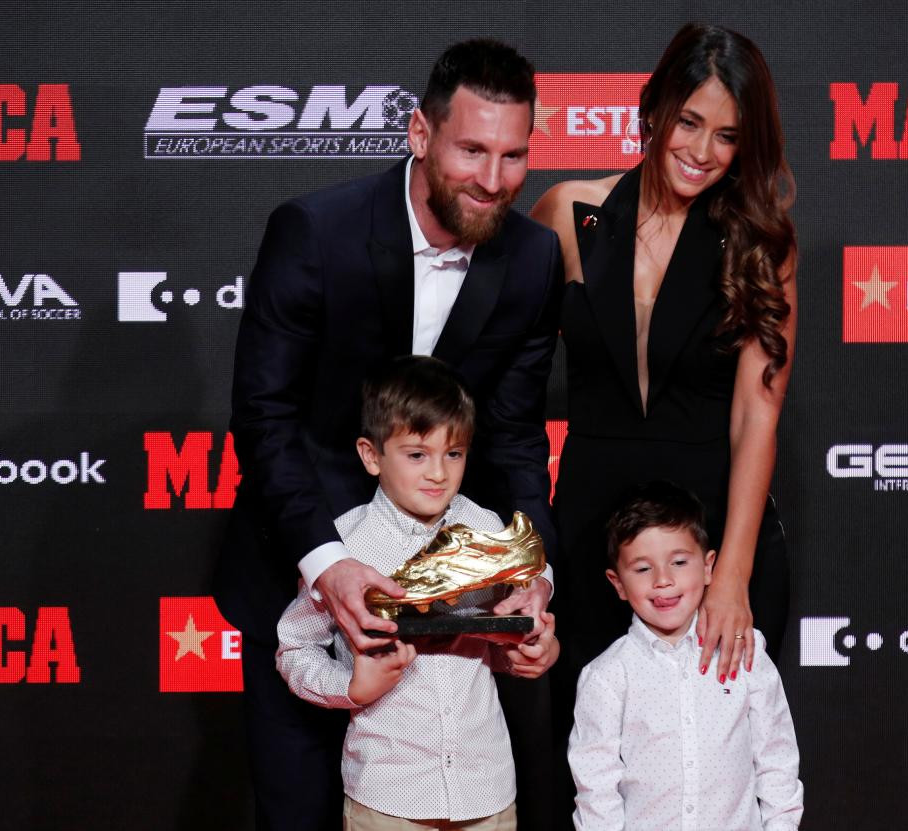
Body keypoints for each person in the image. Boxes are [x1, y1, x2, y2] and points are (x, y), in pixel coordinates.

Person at [214, 38, 562, 830]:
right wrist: (328, 567)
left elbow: (513, 442)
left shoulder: (534, 260)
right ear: (418, 133)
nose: (494, 178)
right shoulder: (316, 231)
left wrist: (531, 580)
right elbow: (264, 417)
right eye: (472, 148)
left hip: (444, 615)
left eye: (514, 155)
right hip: (300, 580)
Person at [532, 20, 797, 772]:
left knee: (709, 774)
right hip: (590, 541)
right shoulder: (566, 212)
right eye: (689, 121)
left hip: (710, 542)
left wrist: (733, 572)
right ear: (654, 108)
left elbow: (757, 413)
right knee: (590, 773)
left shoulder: (759, 242)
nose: (701, 151)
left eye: (727, 136)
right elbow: (507, 384)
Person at [277, 356, 558, 831]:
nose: (437, 473)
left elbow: (506, 639)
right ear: (371, 455)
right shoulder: (342, 551)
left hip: (486, 789)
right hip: (386, 793)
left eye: (454, 454)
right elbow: (294, 647)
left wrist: (533, 647)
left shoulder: (487, 530)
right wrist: (349, 689)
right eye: (416, 454)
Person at [569, 481, 802, 829]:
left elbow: (776, 761)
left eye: (679, 562)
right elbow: (596, 788)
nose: (663, 580)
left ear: (709, 567)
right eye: (643, 569)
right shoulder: (606, 677)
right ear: (617, 583)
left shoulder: (743, 650)